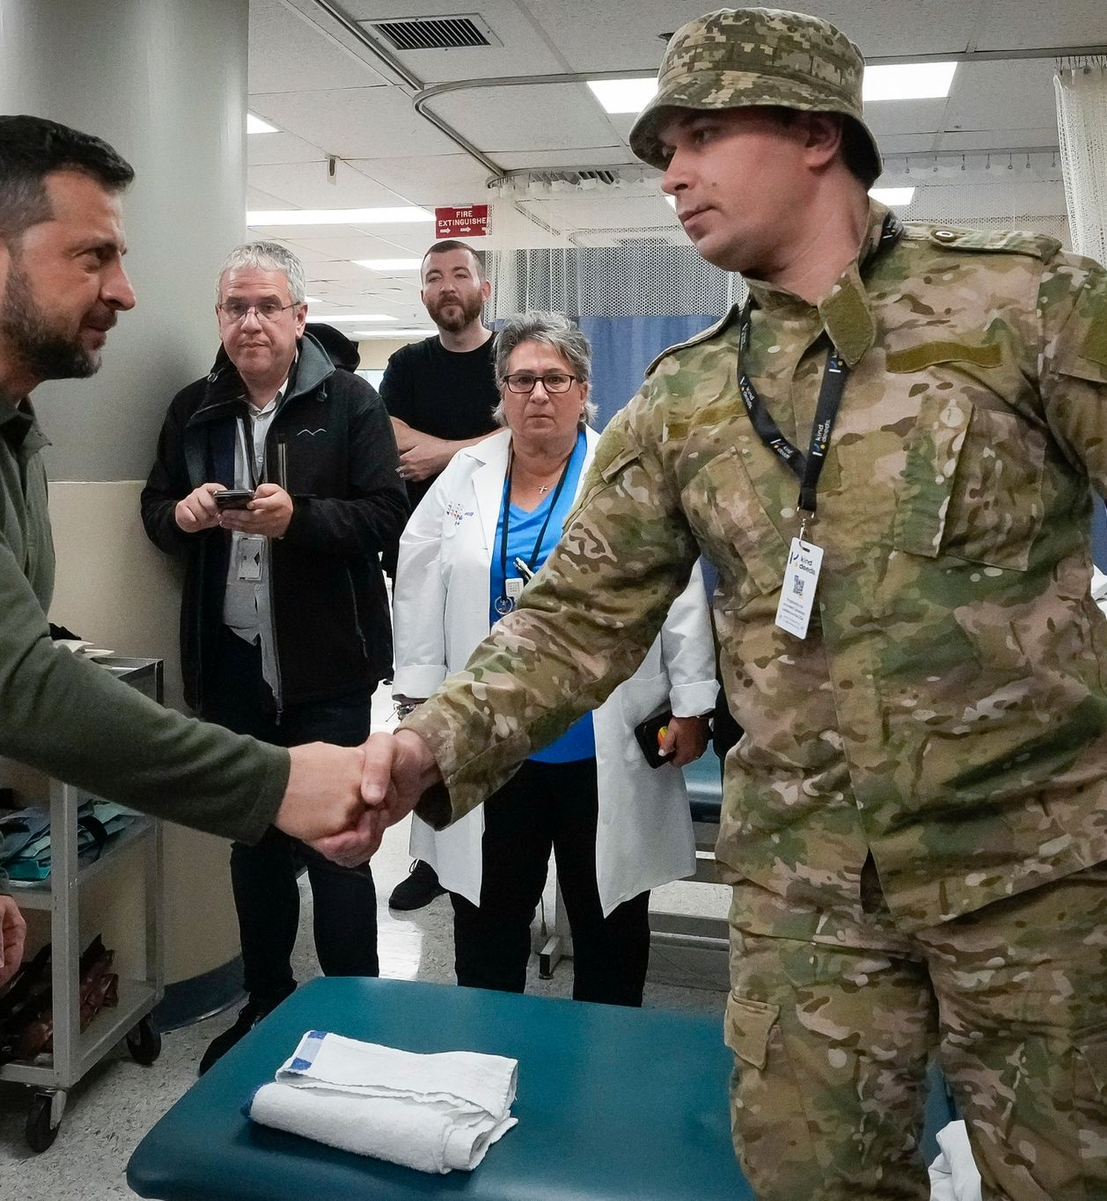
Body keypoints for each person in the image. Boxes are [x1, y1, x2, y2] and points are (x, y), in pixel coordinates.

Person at [340, 9, 1107, 1200]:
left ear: (815, 132)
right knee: (810, 1178)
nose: (674, 174)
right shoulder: (688, 395)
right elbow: (575, 612)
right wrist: (425, 743)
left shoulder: (1023, 306)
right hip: (811, 892)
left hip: (1037, 876)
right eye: (661, 153)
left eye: (700, 135)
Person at [0, 116, 372, 1201]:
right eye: (96, 255)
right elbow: (18, 686)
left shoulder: (4, 427)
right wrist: (276, 782)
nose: (125, 288)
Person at [393, 311, 714, 1004]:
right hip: (494, 741)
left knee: (609, 924)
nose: (538, 394)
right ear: (502, 393)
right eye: (521, 380)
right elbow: (418, 580)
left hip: (598, 741)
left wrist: (692, 703)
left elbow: (678, 587)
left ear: (583, 389)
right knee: (487, 921)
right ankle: (486, 1055)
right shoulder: (463, 478)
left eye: (554, 379)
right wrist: (417, 698)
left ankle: (602, 1070)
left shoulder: (623, 474)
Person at [140, 241, 407, 1074]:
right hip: (233, 666)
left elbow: (384, 517)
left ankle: (356, 1008)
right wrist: (178, 518)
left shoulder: (350, 402)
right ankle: (266, 999)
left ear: (298, 315)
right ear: (218, 319)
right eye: (234, 308)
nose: (249, 322)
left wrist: (299, 520)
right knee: (253, 845)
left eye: (266, 306)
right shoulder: (196, 409)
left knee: (338, 845)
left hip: (328, 669)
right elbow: (153, 508)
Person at [381, 238, 500, 910]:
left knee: (496, 703)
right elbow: (392, 435)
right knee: (425, 707)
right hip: (423, 564)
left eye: (459, 273)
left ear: (483, 287)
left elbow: (520, 430)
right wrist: (474, 449)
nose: (447, 285)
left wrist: (444, 456)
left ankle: (501, 841)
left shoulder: (508, 360)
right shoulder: (405, 364)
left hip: (494, 558)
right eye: (434, 276)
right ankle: (430, 857)